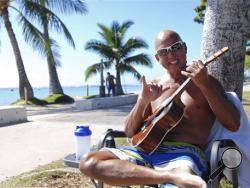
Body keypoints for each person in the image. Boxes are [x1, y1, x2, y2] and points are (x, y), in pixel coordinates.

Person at [79, 30, 240, 188]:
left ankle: (174, 176)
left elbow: (233, 124)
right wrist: (142, 101)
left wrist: (204, 84)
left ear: (184, 48)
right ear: (157, 58)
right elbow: (129, 132)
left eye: (175, 47)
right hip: (147, 152)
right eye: (164, 51)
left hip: (185, 154)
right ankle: (169, 176)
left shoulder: (207, 82)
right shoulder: (155, 86)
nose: (171, 55)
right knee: (88, 162)